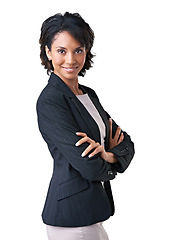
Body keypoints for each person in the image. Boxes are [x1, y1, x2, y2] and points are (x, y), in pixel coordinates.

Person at [37, 12, 135, 240]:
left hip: (91, 211)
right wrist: (113, 163)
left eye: (78, 50)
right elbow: (88, 167)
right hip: (71, 219)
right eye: (61, 51)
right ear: (48, 52)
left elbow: (126, 142)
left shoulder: (88, 95)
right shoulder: (50, 100)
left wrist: (109, 155)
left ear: (86, 52)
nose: (70, 60)